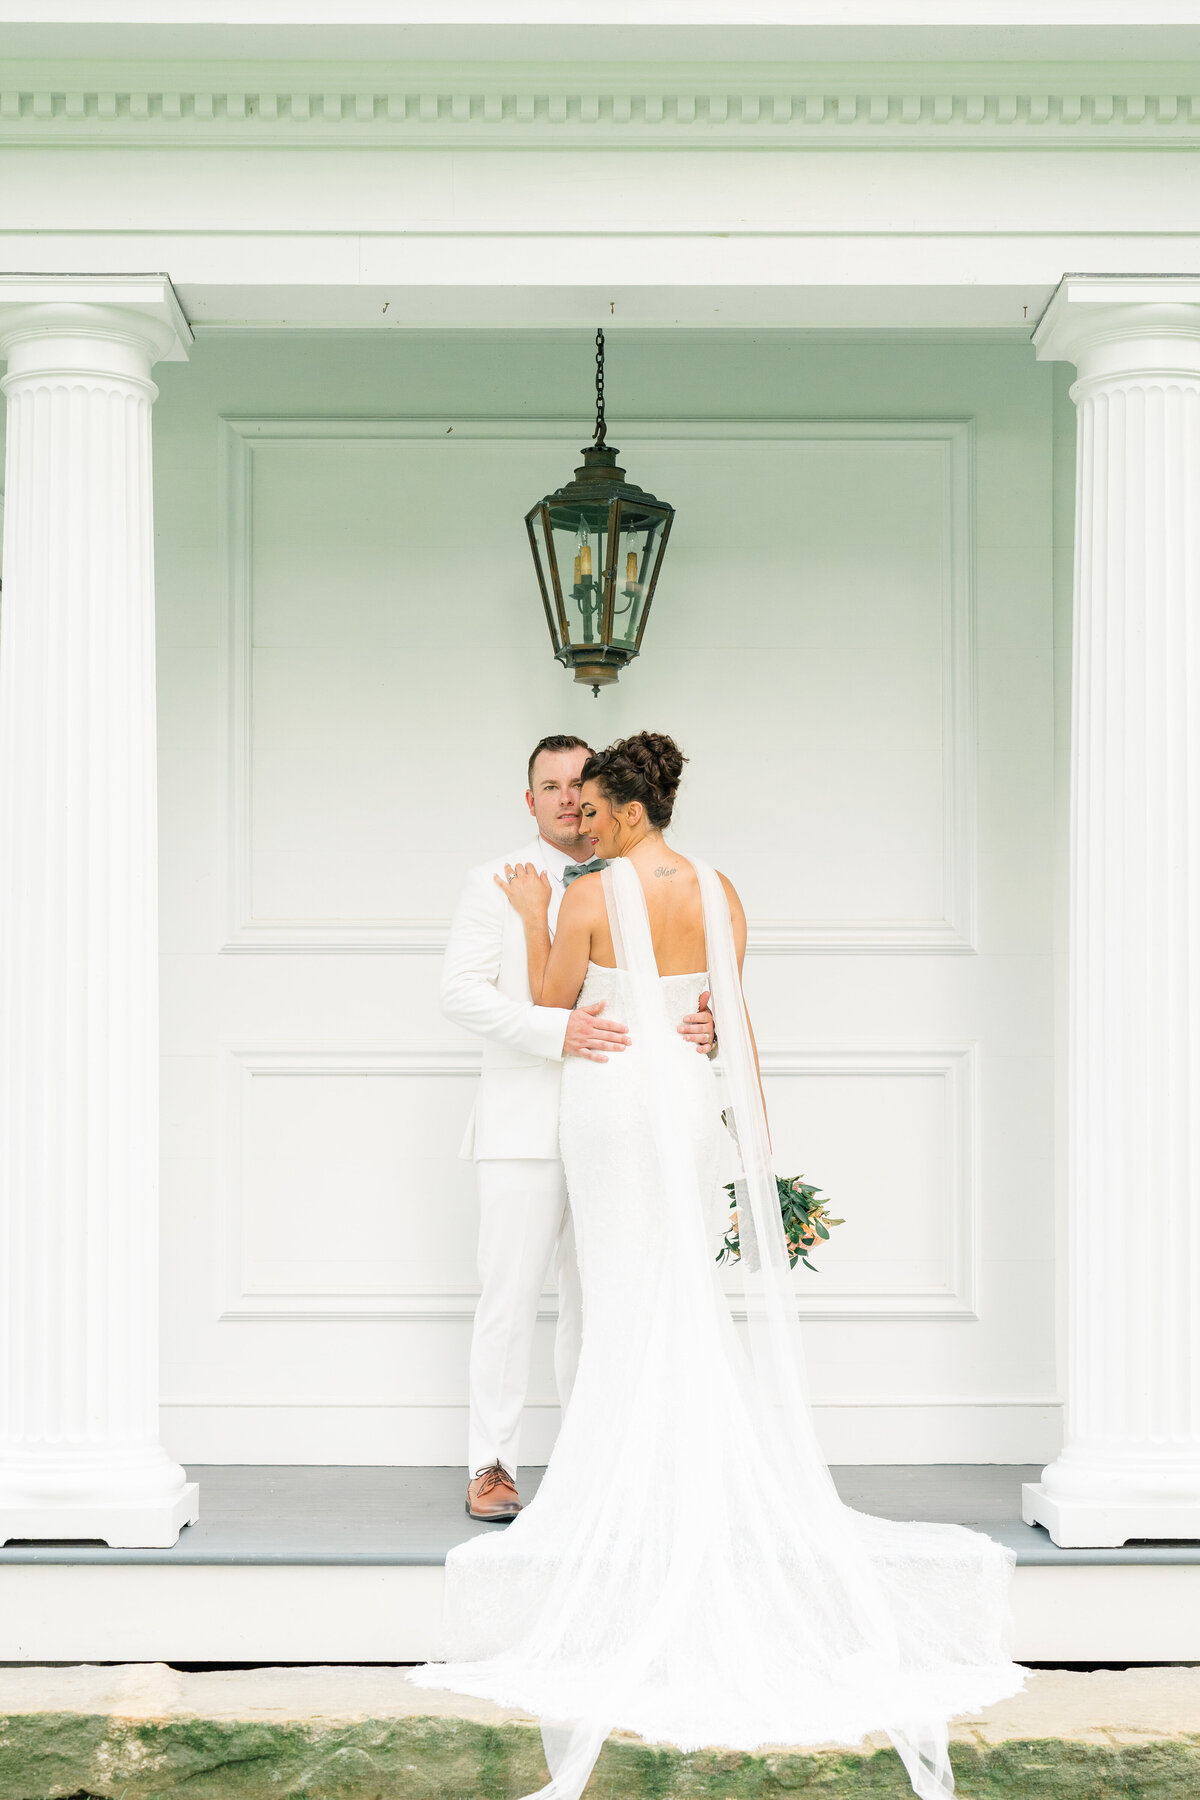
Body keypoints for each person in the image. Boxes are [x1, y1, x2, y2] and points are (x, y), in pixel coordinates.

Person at [416, 731, 1022, 1800]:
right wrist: (754, 1140)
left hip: (612, 1103)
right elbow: (728, 1015)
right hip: (683, 1100)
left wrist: (537, 920)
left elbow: (565, 987)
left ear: (626, 808)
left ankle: (617, 1478)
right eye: (565, 796)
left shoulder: (591, 889)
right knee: (659, 1288)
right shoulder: (721, 887)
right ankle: (593, 1464)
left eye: (593, 799)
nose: (581, 813)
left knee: (619, 1289)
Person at [441, 733, 715, 1522]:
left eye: (578, 784)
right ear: (530, 801)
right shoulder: (493, 882)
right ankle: (490, 1465)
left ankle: (593, 1465)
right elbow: (459, 994)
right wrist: (552, 1033)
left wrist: (704, 1029)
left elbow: (677, 988)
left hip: (623, 1126)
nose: (566, 798)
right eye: (550, 786)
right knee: (511, 1295)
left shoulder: (644, 880)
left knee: (605, 1300)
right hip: (526, 1126)